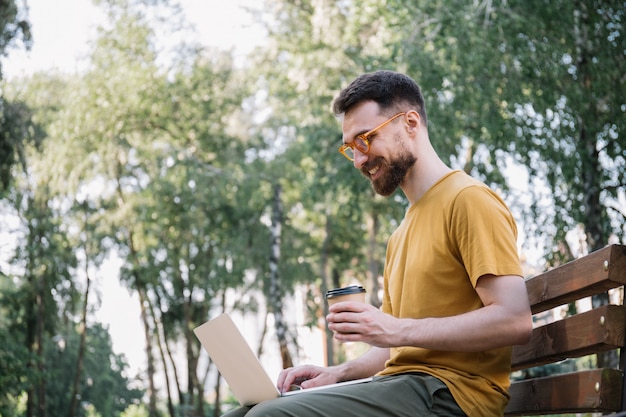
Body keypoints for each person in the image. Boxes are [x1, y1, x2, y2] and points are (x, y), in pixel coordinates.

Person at [222, 70, 532, 417]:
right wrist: (337, 373)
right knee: (243, 412)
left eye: (365, 140)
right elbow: (396, 348)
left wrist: (393, 328)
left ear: (410, 123)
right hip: (402, 386)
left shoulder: (468, 200)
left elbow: (514, 320)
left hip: (452, 396)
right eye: (350, 148)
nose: (358, 160)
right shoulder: (400, 234)